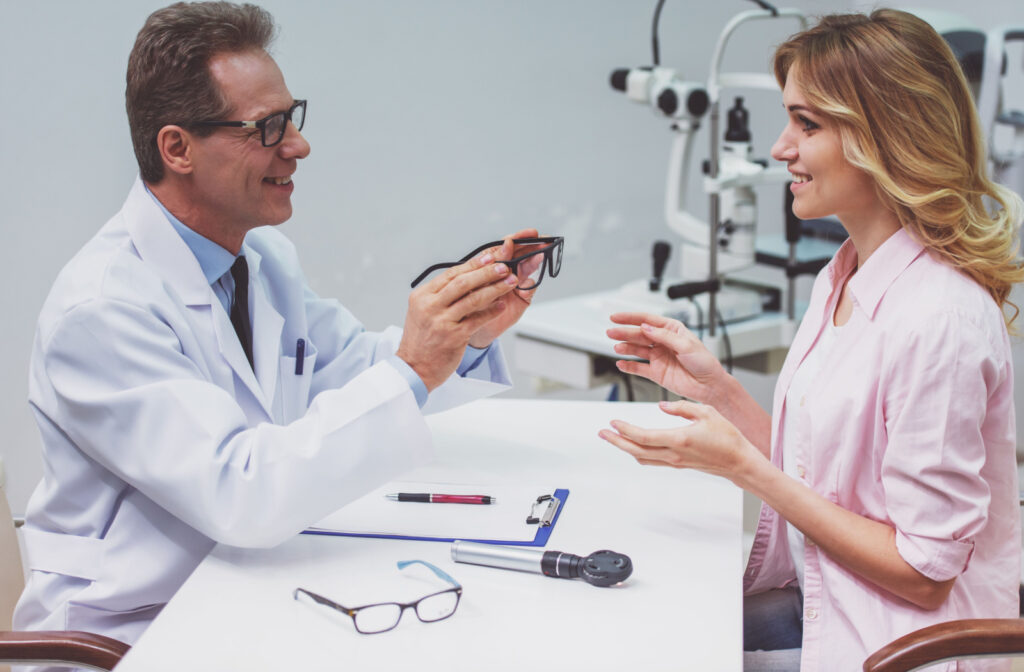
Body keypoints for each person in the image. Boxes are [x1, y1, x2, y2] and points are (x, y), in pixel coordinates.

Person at [14, 1, 541, 648]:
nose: (298, 145)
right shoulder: (100, 312)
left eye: (291, 118)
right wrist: (413, 369)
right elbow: (240, 491)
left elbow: (358, 371)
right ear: (177, 148)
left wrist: (465, 333)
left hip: (246, 592)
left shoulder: (261, 259)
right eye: (266, 128)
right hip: (134, 636)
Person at [600, 9, 1023, 672]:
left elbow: (923, 571)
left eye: (808, 124)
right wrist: (718, 391)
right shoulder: (845, 274)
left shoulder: (938, 319)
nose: (780, 148)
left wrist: (741, 466)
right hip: (837, 598)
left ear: (886, 134)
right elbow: (824, 475)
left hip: (901, 644)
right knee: (639, 620)